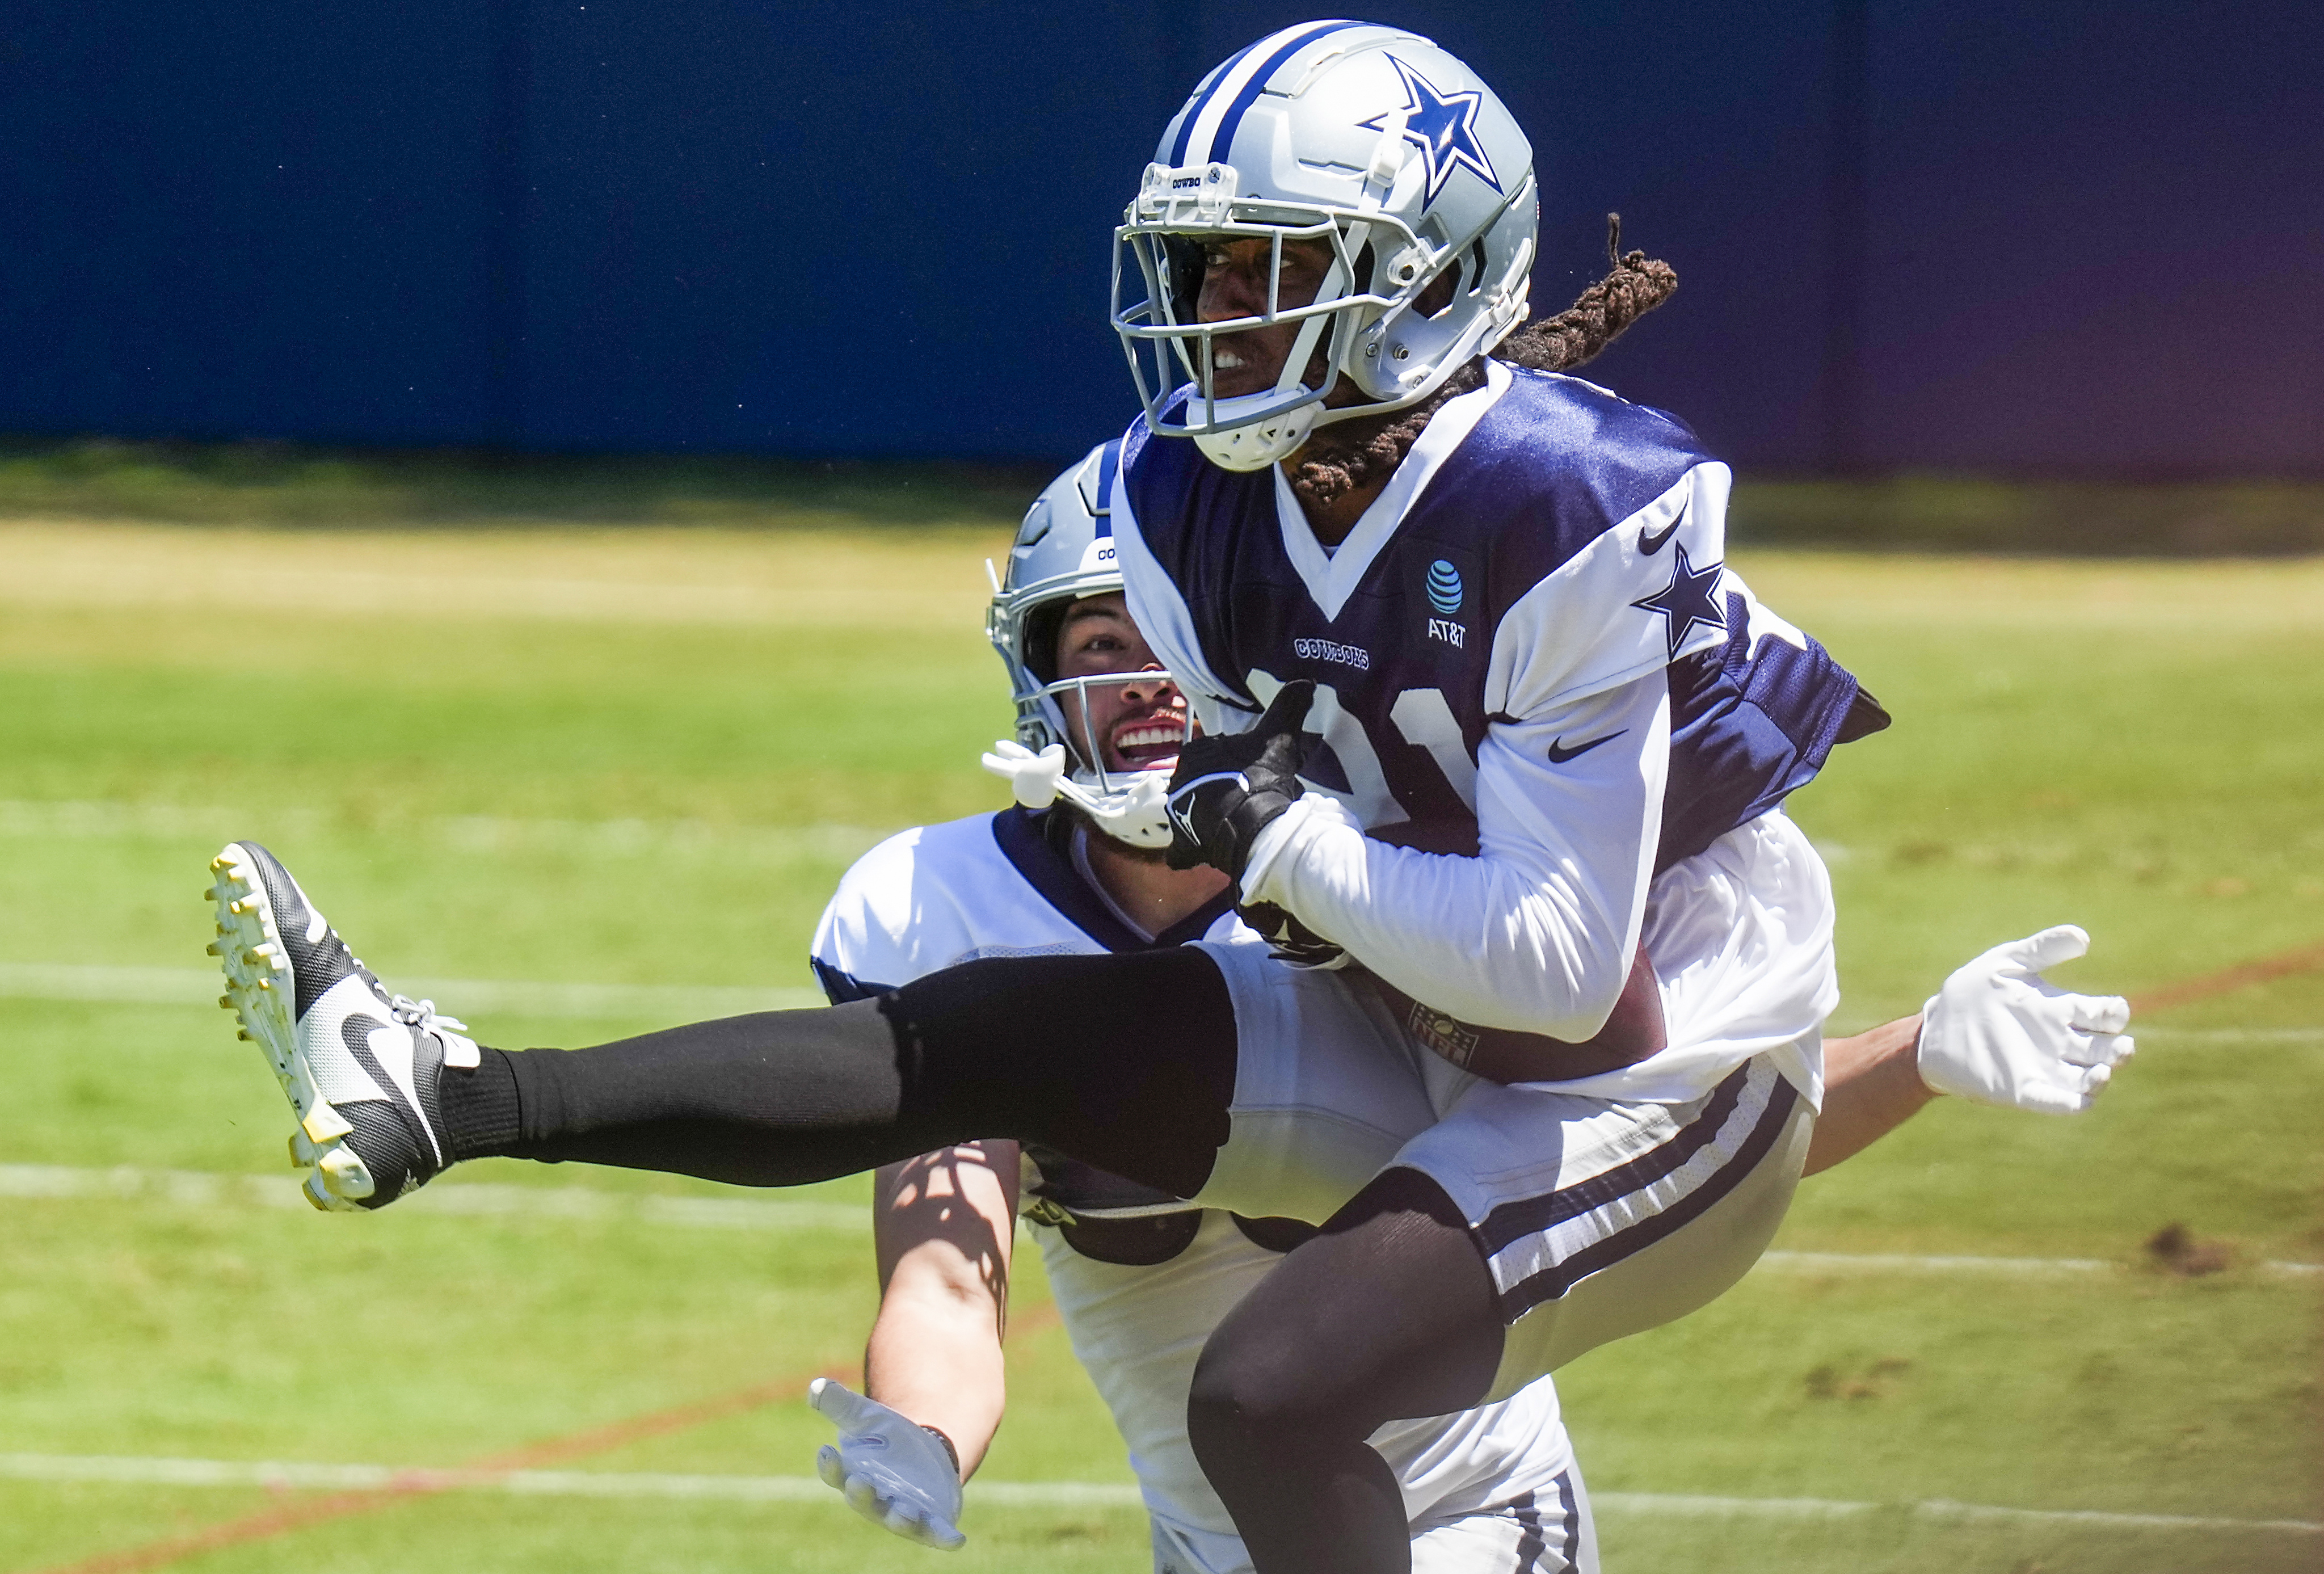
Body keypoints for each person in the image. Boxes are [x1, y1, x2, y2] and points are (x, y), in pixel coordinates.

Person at [200, 24, 2132, 1573]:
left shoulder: (1567, 509)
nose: (1212, 311)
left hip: (1649, 1064)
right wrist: (926, 1401)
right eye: (1200, 269)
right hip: (1408, 1077)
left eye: (1265, 269)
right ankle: (450, 1088)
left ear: (1418, 276)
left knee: (1266, 1390)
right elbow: (949, 1185)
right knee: (996, 1036)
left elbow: (1558, 976)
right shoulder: (1173, 514)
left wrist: (1270, 834)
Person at [798, 448, 2127, 1570]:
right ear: (1032, 667)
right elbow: (943, 1271)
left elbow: (1642, 1147)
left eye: (1167, 641)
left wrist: (1918, 1054)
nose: (1143, 682)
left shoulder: (1395, 867)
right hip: (1210, 1543)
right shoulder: (946, 908)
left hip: (1471, 1526)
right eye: (1096, 641)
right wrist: (925, 1425)